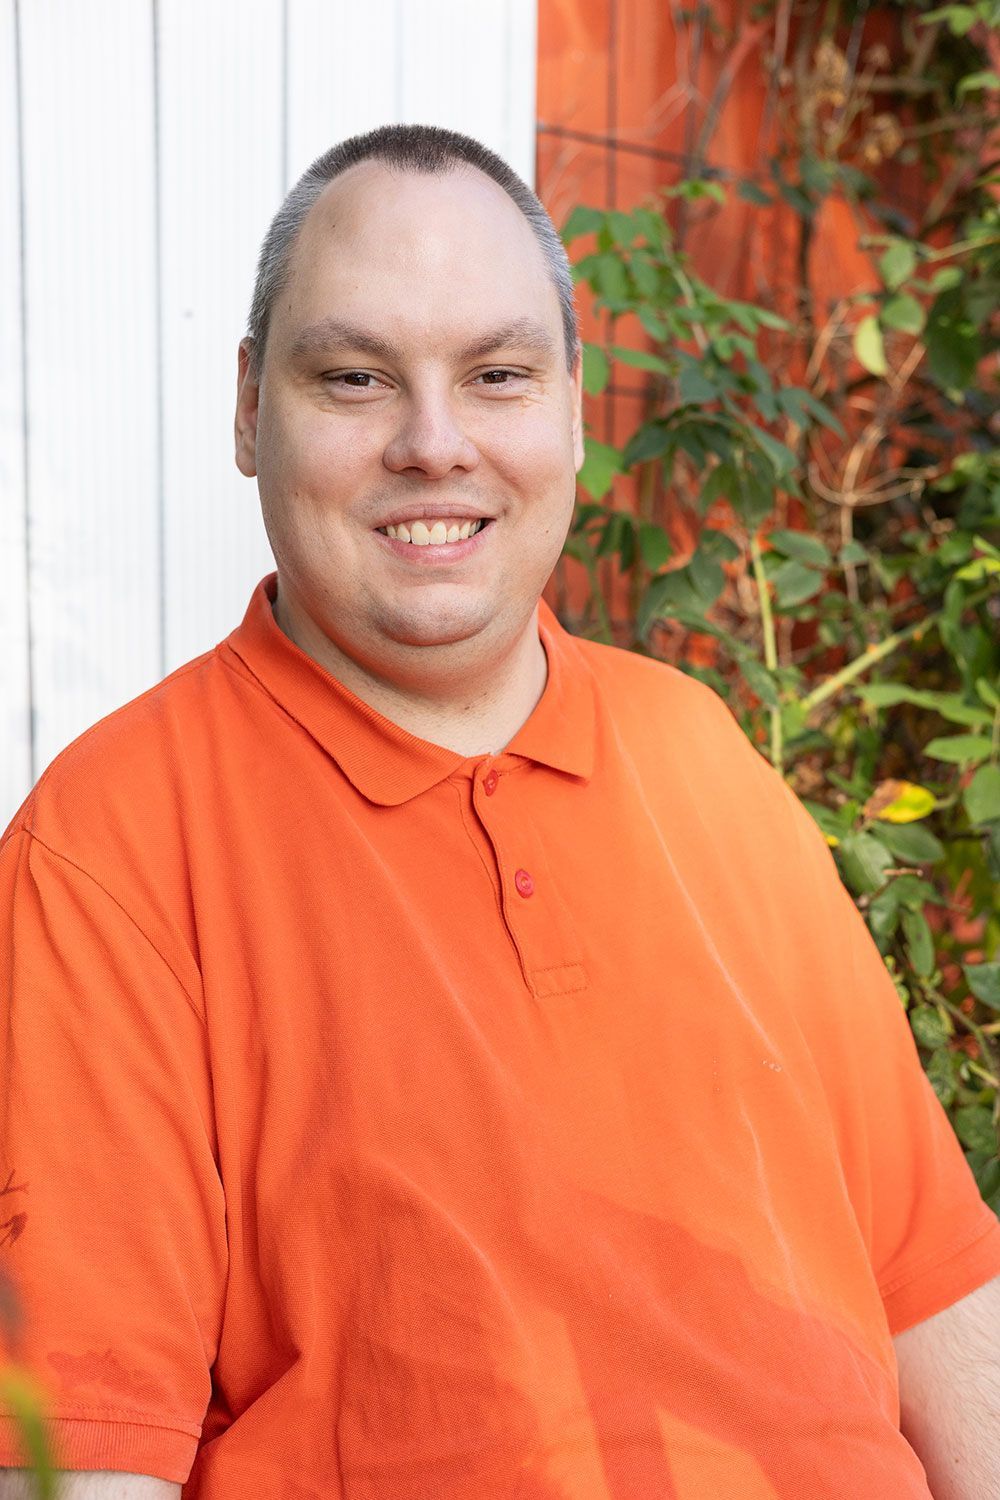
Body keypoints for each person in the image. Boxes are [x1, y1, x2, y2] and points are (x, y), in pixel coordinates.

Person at [1, 123, 998, 1500]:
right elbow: (85, 1455)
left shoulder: (699, 757)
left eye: (498, 375)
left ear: (575, 411)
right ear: (247, 410)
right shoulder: (113, 844)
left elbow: (936, 1290)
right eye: (354, 378)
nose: (433, 443)